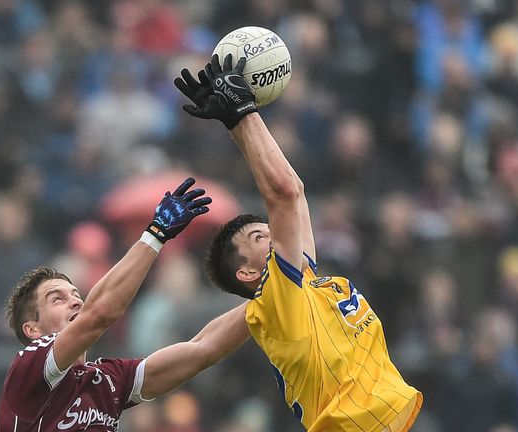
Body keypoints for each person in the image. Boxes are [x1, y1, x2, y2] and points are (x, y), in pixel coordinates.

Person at [175, 54, 423, 432]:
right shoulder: (276, 297)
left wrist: (234, 123)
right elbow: (283, 194)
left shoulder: (305, 286)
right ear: (246, 272)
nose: (274, 234)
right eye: (260, 236)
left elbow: (297, 194)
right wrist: (244, 111)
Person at [0, 177, 250, 431]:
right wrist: (155, 234)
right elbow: (99, 315)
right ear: (33, 330)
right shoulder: (30, 366)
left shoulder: (108, 379)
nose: (75, 301)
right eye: (57, 299)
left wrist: (265, 299)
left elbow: (204, 349)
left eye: (75, 294)